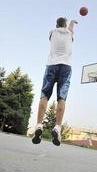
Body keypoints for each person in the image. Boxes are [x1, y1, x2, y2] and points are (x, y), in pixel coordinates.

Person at [32, 17, 78, 146]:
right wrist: (72, 23)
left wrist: (66, 23)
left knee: (45, 95)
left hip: (51, 65)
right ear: (65, 25)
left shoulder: (52, 32)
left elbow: (61, 27)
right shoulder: (69, 33)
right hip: (66, 67)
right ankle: (57, 127)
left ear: (56, 25)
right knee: (61, 98)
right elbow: (70, 30)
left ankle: (39, 125)